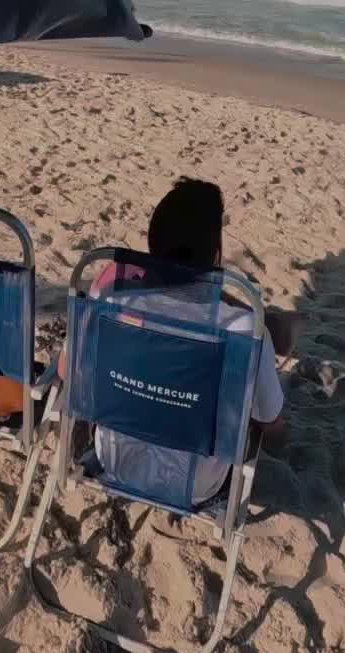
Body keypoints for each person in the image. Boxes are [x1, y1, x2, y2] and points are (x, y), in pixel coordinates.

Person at [92, 177, 296, 506]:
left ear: (152, 245)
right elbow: (269, 421)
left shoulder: (111, 303)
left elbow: (71, 373)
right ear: (215, 254)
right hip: (196, 484)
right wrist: (282, 439)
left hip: (115, 462)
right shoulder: (245, 329)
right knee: (267, 360)